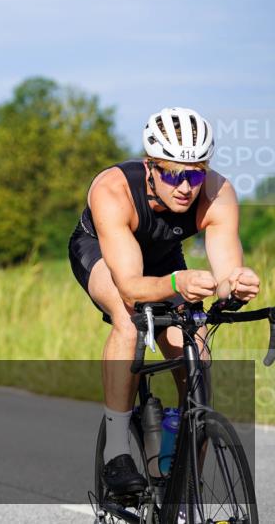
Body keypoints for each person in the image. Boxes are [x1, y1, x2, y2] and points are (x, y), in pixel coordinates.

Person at [68, 107, 260, 495]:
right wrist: (177, 282)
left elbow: (226, 273)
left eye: (195, 174)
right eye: (173, 174)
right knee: (129, 318)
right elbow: (131, 287)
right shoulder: (113, 190)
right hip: (104, 254)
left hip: (164, 257)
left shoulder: (217, 193)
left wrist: (236, 285)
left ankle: (185, 485)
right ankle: (117, 451)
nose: (185, 187)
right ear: (150, 166)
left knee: (196, 349)